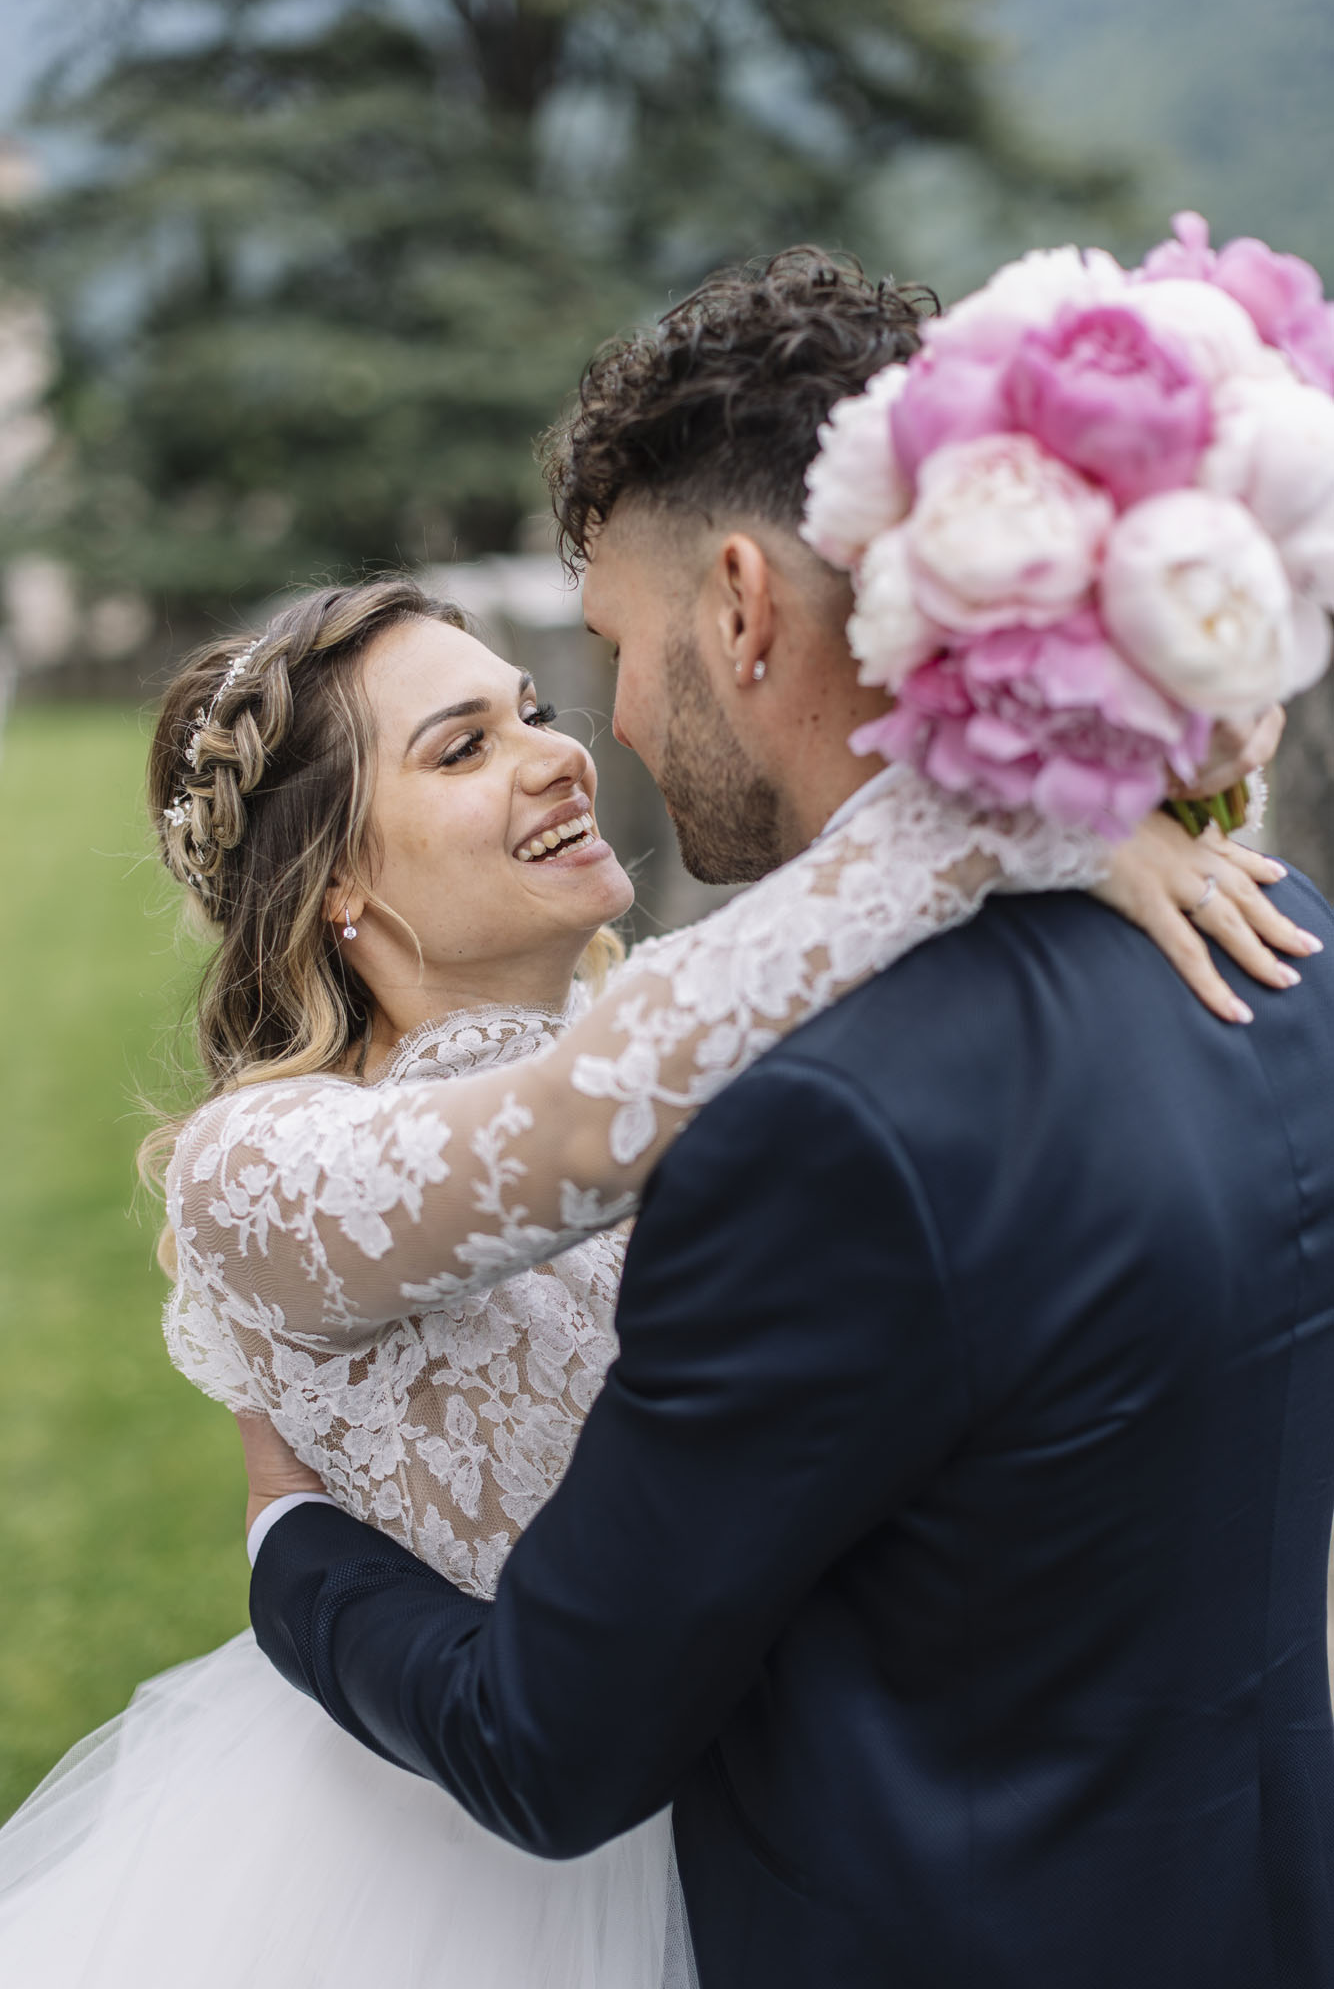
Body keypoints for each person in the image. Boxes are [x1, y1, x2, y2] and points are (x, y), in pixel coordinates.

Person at [0, 261, 1312, 1988]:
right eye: (464, 747)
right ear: (329, 889)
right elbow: (571, 1121)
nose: (570, 747)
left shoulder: (716, 1040)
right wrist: (1013, 816)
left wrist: (1071, 815)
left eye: (544, 699)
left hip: (732, 1832)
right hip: (443, 1873)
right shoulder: (275, 1166)